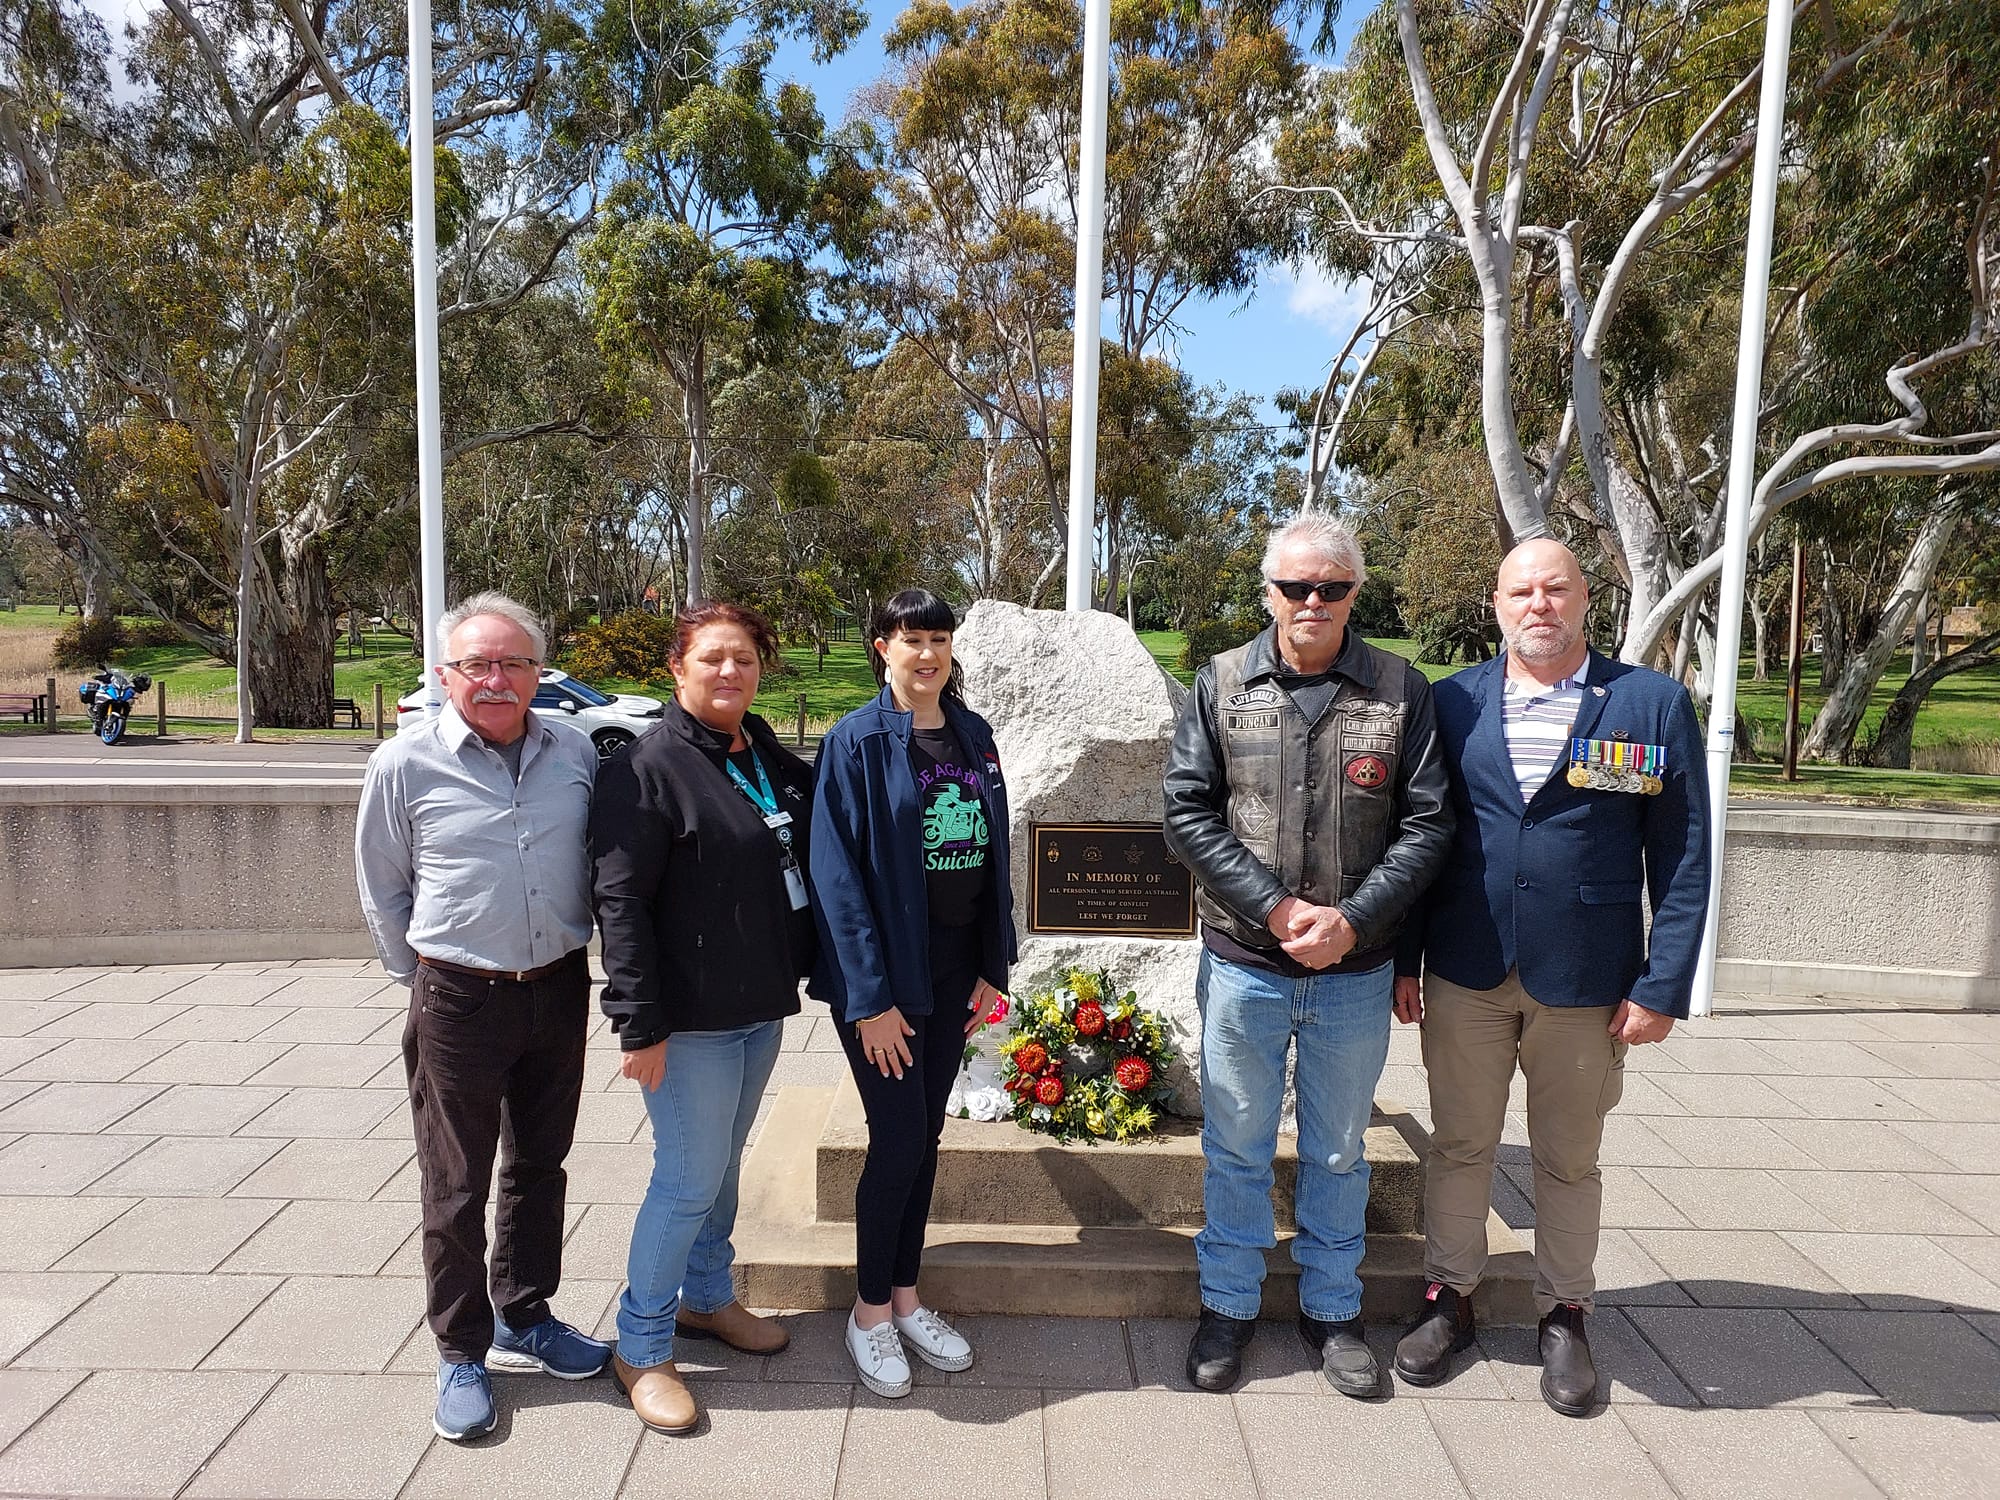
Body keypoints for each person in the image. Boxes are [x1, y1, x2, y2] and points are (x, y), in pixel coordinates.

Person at [1391, 538, 1709, 1416]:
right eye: (1521, 591)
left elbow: (1682, 859)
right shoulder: (1451, 702)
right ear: (1495, 604)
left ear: (1584, 600)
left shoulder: (1649, 704)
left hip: (1588, 980)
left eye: (1556, 588)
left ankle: (1564, 1313)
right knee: (1460, 1146)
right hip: (1466, 968)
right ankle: (1447, 1297)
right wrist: (1407, 958)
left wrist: (1662, 984)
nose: (1540, 604)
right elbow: (1423, 837)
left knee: (1570, 1160)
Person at [1162, 511, 1453, 1397]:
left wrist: (1354, 923)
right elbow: (1186, 811)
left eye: (1332, 587)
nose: (1313, 601)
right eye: (1296, 587)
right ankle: (1229, 1307)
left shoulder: (1404, 691)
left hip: (1355, 977)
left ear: (1356, 594)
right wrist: (1280, 908)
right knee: (1238, 1147)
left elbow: (1429, 822)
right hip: (1246, 964)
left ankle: (1333, 1311)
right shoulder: (1218, 685)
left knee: (1337, 1153)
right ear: (1268, 593)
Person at [354, 591, 609, 1443]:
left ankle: (525, 1315)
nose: (496, 679)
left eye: (515, 664)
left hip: (558, 985)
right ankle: (462, 1348)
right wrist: (423, 978)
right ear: (444, 673)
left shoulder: (575, 754)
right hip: (458, 995)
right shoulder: (404, 763)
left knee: (541, 1163)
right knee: (455, 1180)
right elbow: (383, 885)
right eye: (477, 664)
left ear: (541, 674)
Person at [590, 601, 815, 1435]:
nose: (730, 672)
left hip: (759, 1006)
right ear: (676, 669)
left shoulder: (761, 752)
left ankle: (708, 1298)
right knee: (686, 1177)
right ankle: (640, 1346)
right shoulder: (646, 767)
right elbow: (620, 901)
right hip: (687, 1021)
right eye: (713, 659)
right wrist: (638, 1024)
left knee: (722, 1171)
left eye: (746, 659)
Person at [809, 588, 1016, 1399]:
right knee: (897, 1140)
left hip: (955, 975)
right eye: (909, 639)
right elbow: (836, 880)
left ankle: (905, 1297)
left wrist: (993, 969)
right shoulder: (854, 744)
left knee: (925, 1136)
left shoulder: (974, 734)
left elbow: (996, 857)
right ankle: (866, 1315)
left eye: (938, 638)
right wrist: (868, 1001)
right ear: (881, 648)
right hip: (886, 982)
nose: (925, 653)